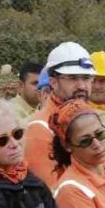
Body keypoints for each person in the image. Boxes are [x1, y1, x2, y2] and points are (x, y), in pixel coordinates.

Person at [24, 41, 99, 187]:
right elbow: (54, 193)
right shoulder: (40, 129)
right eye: (72, 78)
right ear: (53, 82)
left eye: (86, 78)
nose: (82, 86)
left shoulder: (90, 117)